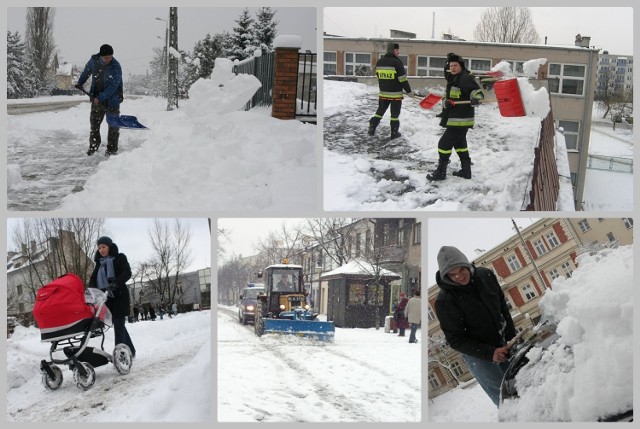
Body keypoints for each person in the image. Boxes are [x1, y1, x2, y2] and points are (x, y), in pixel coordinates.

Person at [434, 246, 516, 407]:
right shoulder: (445, 301)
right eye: (452, 274)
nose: (458, 276)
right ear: (446, 276)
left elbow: (502, 306)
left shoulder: (485, 276)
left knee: (519, 381)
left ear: (467, 265)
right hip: (478, 355)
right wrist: (489, 353)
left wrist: (510, 336)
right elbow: (455, 340)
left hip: (502, 341)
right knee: (505, 397)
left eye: (461, 270)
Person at [427, 53, 484, 181]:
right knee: (460, 144)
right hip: (456, 118)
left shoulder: (464, 78)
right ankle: (466, 171)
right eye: (451, 65)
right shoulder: (454, 77)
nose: (452, 68)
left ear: (461, 66)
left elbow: (477, 92)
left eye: (455, 65)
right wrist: (446, 101)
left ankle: (441, 172)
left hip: (460, 119)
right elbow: (451, 89)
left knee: (443, 144)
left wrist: (476, 98)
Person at [89, 236, 136, 359]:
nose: (101, 250)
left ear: (109, 246)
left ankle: (120, 357)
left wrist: (116, 282)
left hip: (119, 296)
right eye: (99, 248)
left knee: (119, 326)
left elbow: (127, 272)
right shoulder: (99, 263)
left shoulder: (120, 258)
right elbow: (93, 279)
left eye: (103, 247)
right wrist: (92, 290)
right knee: (118, 325)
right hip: (107, 299)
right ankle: (132, 351)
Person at [75, 43, 124, 156]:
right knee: (94, 125)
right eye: (106, 57)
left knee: (113, 126)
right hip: (96, 98)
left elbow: (113, 86)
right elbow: (86, 72)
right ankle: (93, 146)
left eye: (110, 57)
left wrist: (100, 97)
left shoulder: (116, 66)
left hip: (113, 99)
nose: (109, 59)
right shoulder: (94, 61)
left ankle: (111, 150)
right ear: (101, 56)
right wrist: (80, 82)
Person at [368, 42, 412, 139]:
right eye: (397, 50)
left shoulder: (379, 62)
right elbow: (402, 79)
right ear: (392, 50)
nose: (398, 52)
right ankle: (394, 132)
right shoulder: (397, 62)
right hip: (395, 95)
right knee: (394, 114)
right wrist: (409, 91)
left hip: (383, 93)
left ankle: (372, 127)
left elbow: (379, 77)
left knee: (380, 111)